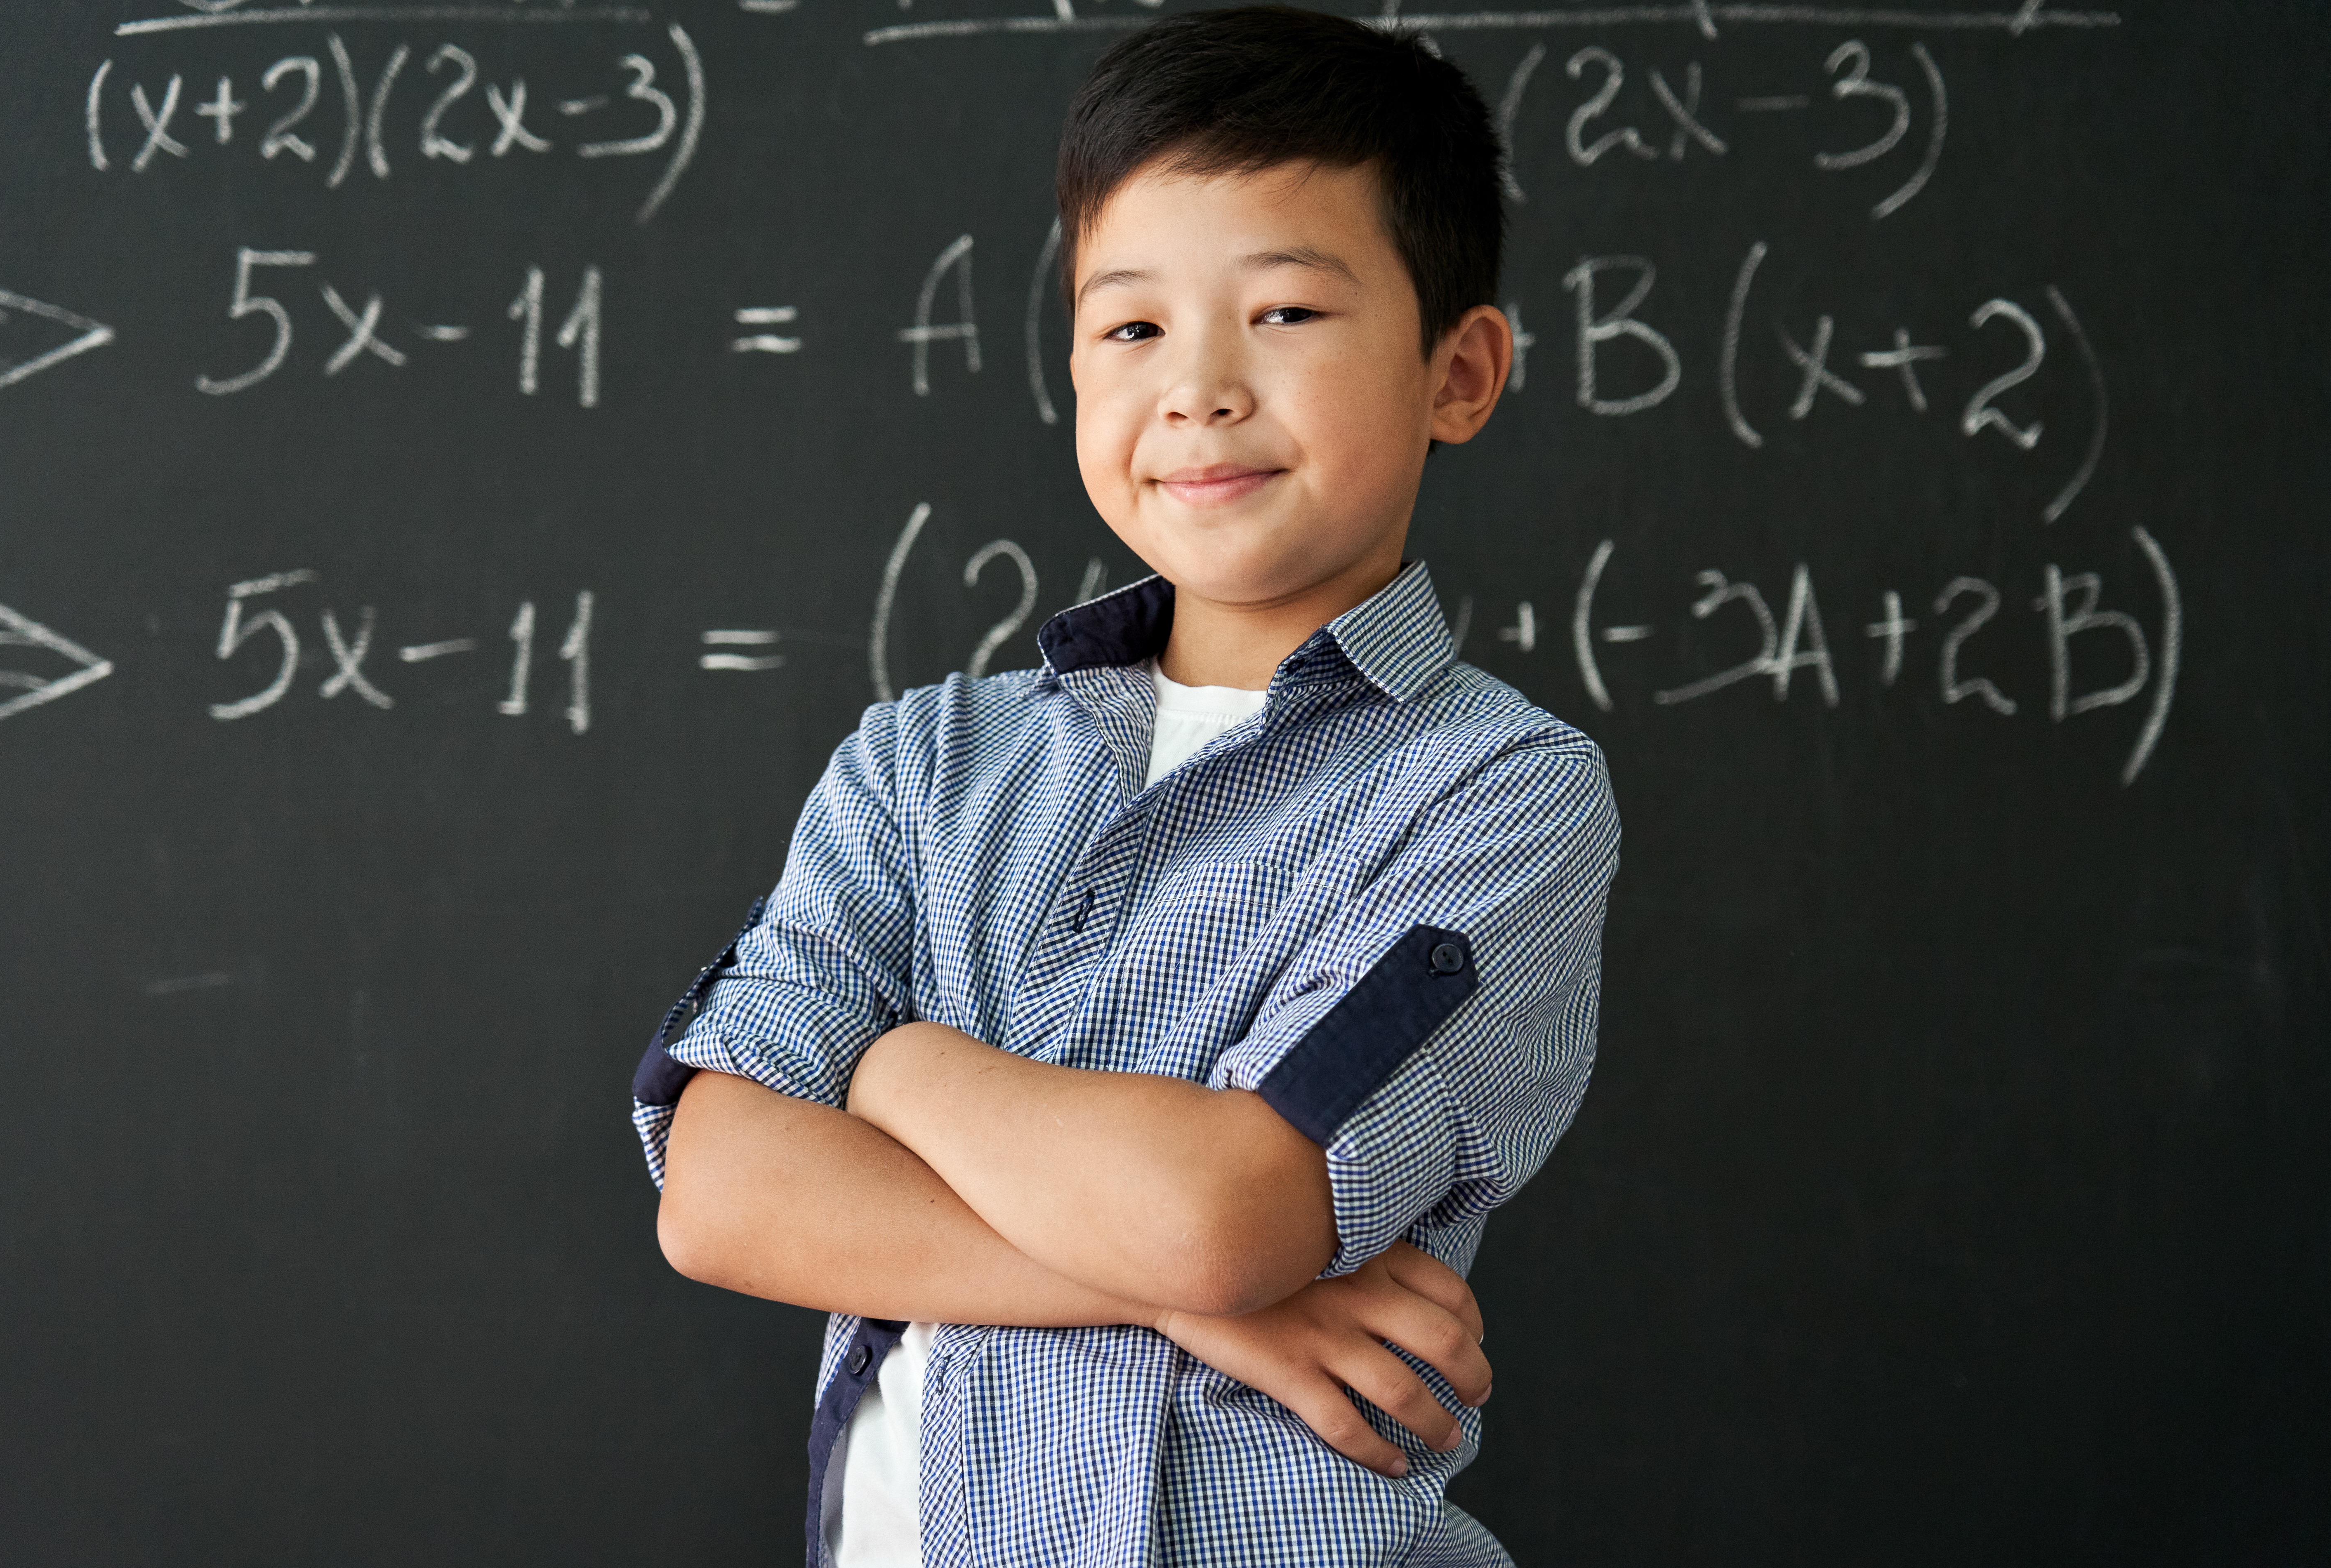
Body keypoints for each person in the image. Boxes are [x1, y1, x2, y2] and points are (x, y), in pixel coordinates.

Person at [632, 7, 1618, 1563]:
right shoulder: (922, 764)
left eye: (1286, 312)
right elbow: (719, 1188)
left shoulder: (1496, 793)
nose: (1201, 388)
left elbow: (1223, 1216)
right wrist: (1209, 1314)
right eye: (1133, 326)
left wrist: (890, 1066)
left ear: (1461, 370)